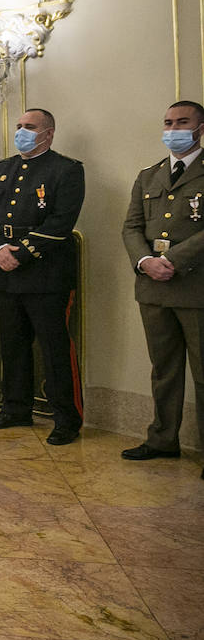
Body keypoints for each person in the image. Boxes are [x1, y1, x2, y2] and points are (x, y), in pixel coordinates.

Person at [0, 109, 85, 443]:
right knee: (12, 345)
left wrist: (19, 253)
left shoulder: (66, 169)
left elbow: (60, 223)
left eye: (30, 127)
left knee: (54, 349)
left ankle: (66, 418)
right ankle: (15, 408)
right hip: (4, 272)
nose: (21, 131)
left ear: (48, 134)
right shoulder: (4, 169)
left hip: (45, 274)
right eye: (19, 126)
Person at [121, 100, 204, 468]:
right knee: (164, 369)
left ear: (200, 128)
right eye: (168, 122)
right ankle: (162, 439)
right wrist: (144, 261)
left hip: (195, 288)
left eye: (182, 122)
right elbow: (132, 227)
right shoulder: (148, 175)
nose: (173, 129)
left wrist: (173, 261)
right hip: (153, 288)